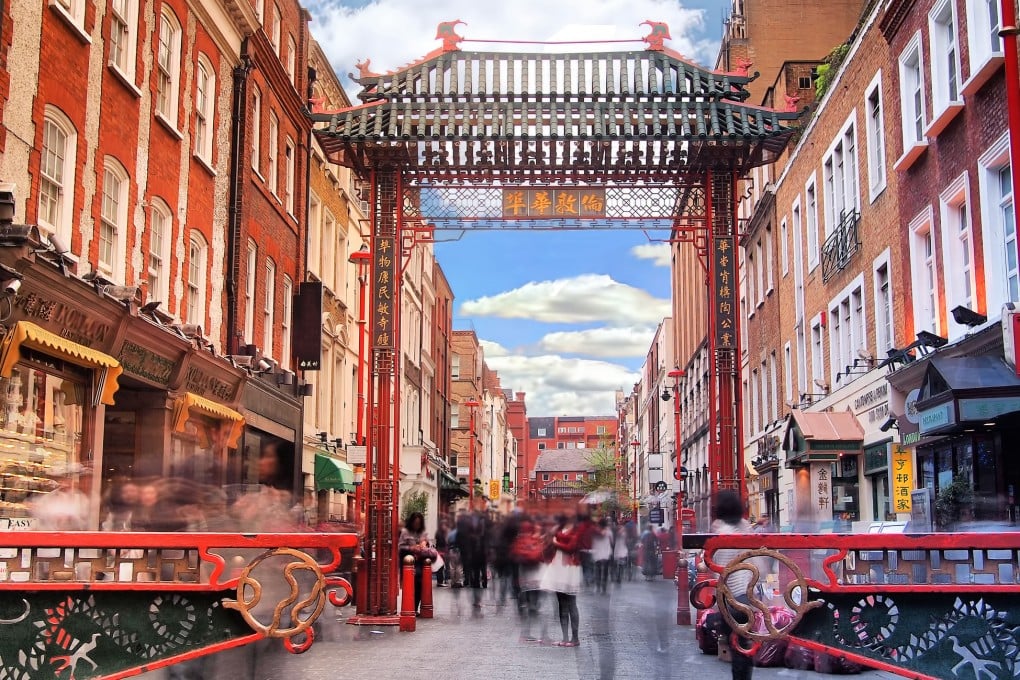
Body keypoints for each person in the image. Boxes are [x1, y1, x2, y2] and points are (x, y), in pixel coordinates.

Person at [711, 490, 764, 680]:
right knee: (744, 642)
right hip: (747, 595)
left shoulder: (718, 530)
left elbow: (714, 563)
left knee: (735, 643)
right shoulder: (746, 529)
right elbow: (758, 562)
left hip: (729, 597)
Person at [539, 512, 582, 647]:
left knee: (571, 603)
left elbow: (571, 548)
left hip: (569, 568)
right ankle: (565, 637)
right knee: (561, 603)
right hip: (557, 566)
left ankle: (575, 638)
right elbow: (548, 544)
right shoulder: (559, 529)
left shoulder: (576, 531)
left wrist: (556, 542)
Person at [397, 512, 436, 615]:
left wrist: (425, 544)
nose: (417, 525)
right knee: (410, 584)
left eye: (419, 523)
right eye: (415, 523)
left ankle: (415, 607)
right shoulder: (405, 532)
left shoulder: (422, 532)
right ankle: (410, 607)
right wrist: (411, 548)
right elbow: (400, 547)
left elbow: (429, 544)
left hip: (420, 561)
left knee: (420, 584)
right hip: (408, 561)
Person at [589, 517, 612, 594]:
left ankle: (598, 586)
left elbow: (590, 540)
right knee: (605, 571)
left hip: (597, 553)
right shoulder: (608, 531)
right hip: (606, 554)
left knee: (597, 570)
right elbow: (612, 542)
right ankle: (603, 587)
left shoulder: (594, 531)